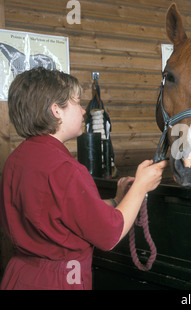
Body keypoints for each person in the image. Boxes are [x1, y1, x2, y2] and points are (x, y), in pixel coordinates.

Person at [0, 67, 168, 290]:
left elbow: (56, 215)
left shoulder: (16, 159)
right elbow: (109, 235)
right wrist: (141, 186)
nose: (83, 111)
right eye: (77, 103)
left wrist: (117, 201)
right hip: (59, 281)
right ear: (56, 111)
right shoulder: (65, 169)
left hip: (19, 276)